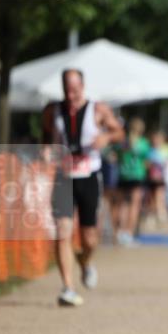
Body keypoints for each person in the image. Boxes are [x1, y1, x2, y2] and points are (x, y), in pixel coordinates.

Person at [43, 68, 124, 306]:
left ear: (83, 86)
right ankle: (67, 287)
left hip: (88, 175)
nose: (71, 94)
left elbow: (119, 132)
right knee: (62, 232)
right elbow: (46, 134)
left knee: (89, 238)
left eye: (75, 88)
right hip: (63, 176)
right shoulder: (52, 110)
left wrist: (106, 138)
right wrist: (46, 149)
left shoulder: (98, 109)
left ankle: (85, 261)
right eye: (67, 89)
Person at [115, 117, 150, 246]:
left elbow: (116, 156)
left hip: (123, 175)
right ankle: (129, 233)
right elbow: (147, 161)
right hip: (137, 176)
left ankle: (120, 231)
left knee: (123, 205)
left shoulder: (122, 142)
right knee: (134, 206)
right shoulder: (143, 143)